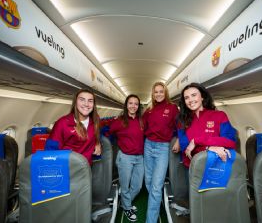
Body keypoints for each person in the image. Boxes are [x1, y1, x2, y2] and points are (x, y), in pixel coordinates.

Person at [172, 82, 236, 169]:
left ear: (202, 97)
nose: (190, 100)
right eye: (186, 98)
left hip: (218, 165)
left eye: (194, 95)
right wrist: (208, 148)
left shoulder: (220, 115)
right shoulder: (181, 120)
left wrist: (196, 141)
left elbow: (230, 142)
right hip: (193, 168)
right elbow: (186, 148)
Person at [143, 82, 179, 223]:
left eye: (161, 91)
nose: (158, 94)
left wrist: (179, 140)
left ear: (165, 93)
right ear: (152, 94)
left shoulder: (172, 108)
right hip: (148, 145)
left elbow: (181, 125)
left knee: (156, 186)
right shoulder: (149, 109)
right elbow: (141, 127)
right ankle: (157, 202)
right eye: (156, 92)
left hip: (163, 148)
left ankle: (150, 219)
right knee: (148, 182)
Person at [107, 94, 144, 222]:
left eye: (136, 104)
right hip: (125, 158)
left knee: (138, 186)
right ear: (126, 105)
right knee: (125, 185)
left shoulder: (142, 120)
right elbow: (107, 132)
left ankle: (124, 202)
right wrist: (97, 143)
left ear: (138, 106)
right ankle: (127, 207)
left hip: (140, 158)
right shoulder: (119, 121)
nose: (133, 106)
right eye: (130, 103)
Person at [49, 89, 101, 165]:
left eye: (90, 101)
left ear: (93, 104)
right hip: (67, 167)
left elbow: (98, 134)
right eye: (82, 100)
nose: (86, 104)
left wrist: (97, 143)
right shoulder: (63, 123)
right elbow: (51, 149)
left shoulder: (96, 120)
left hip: (86, 168)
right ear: (75, 102)